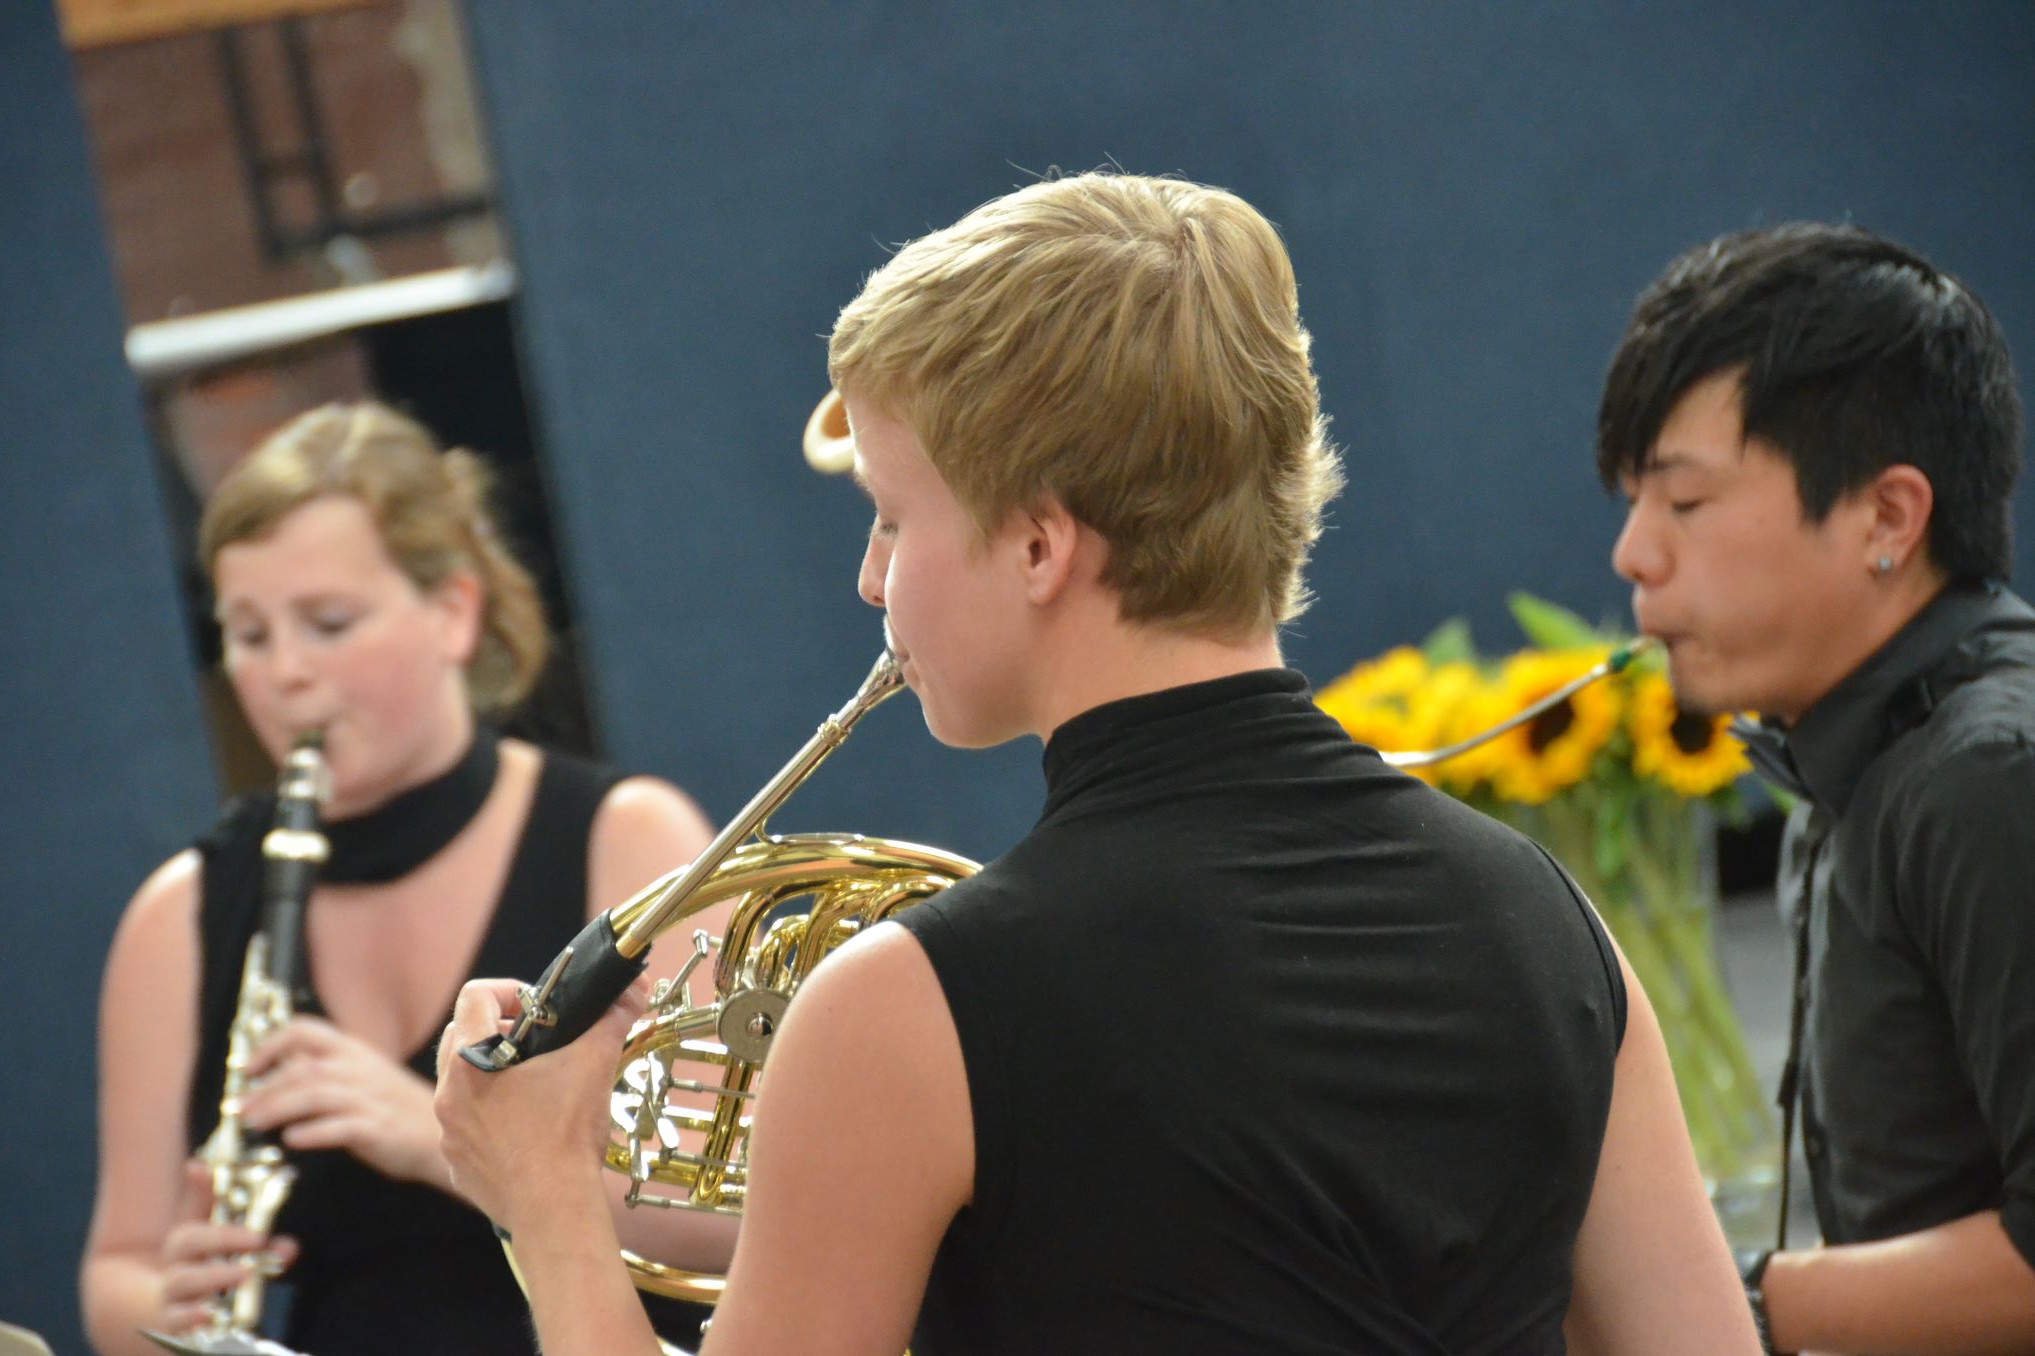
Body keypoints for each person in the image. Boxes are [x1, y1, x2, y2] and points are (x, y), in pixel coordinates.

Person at [434, 171, 1757, 1354]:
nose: (869, 577)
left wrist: (549, 1200)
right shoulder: (1545, 918)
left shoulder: (906, 1008)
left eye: (895, 518)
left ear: (1038, 547)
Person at [80, 402, 730, 1356]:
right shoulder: (182, 912)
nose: (286, 673)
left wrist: (441, 1141)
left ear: (453, 611)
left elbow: (733, 1226)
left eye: (329, 622)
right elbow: (118, 1265)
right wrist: (168, 1311)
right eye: (248, 635)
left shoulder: (625, 838)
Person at [1599, 223, 2035, 1354]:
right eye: (1631, 503)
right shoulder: (1858, 754)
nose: (1631, 556)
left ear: (1886, 518)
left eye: (1683, 505)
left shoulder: (1991, 778)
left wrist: (1728, 1299)